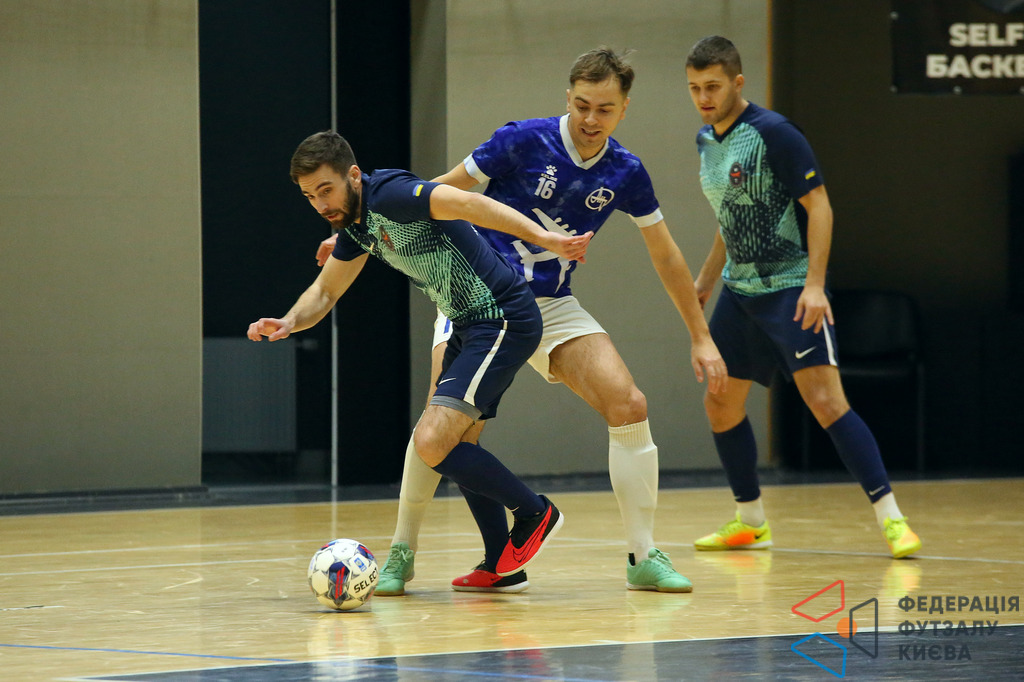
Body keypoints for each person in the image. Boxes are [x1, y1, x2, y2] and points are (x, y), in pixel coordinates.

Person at [319, 48, 727, 595]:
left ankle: (643, 555)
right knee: (445, 427)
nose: (590, 119)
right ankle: (403, 553)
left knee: (629, 404)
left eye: (604, 109)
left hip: (551, 304)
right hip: (475, 295)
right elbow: (439, 193)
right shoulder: (522, 140)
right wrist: (365, 231)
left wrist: (701, 336)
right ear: (568, 98)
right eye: (582, 105)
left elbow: (667, 255)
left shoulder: (626, 172)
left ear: (625, 109)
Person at [249, 131, 594, 578]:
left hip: (502, 316)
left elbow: (470, 203)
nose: (320, 204)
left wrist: (544, 238)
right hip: (468, 324)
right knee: (459, 443)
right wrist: (290, 321)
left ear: (353, 175)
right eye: (309, 196)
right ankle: (501, 566)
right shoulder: (353, 226)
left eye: (326, 190)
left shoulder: (391, 194)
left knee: (431, 442)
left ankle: (535, 513)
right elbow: (325, 291)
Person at [684, 36, 922, 558]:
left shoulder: (775, 133)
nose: (704, 97)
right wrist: (705, 279)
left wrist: (814, 285)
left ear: (737, 83)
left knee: (826, 402)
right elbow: (731, 215)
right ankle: (751, 522)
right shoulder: (706, 141)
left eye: (713, 86)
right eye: (695, 88)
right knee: (720, 404)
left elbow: (820, 207)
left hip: (790, 289)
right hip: (740, 293)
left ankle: (892, 519)